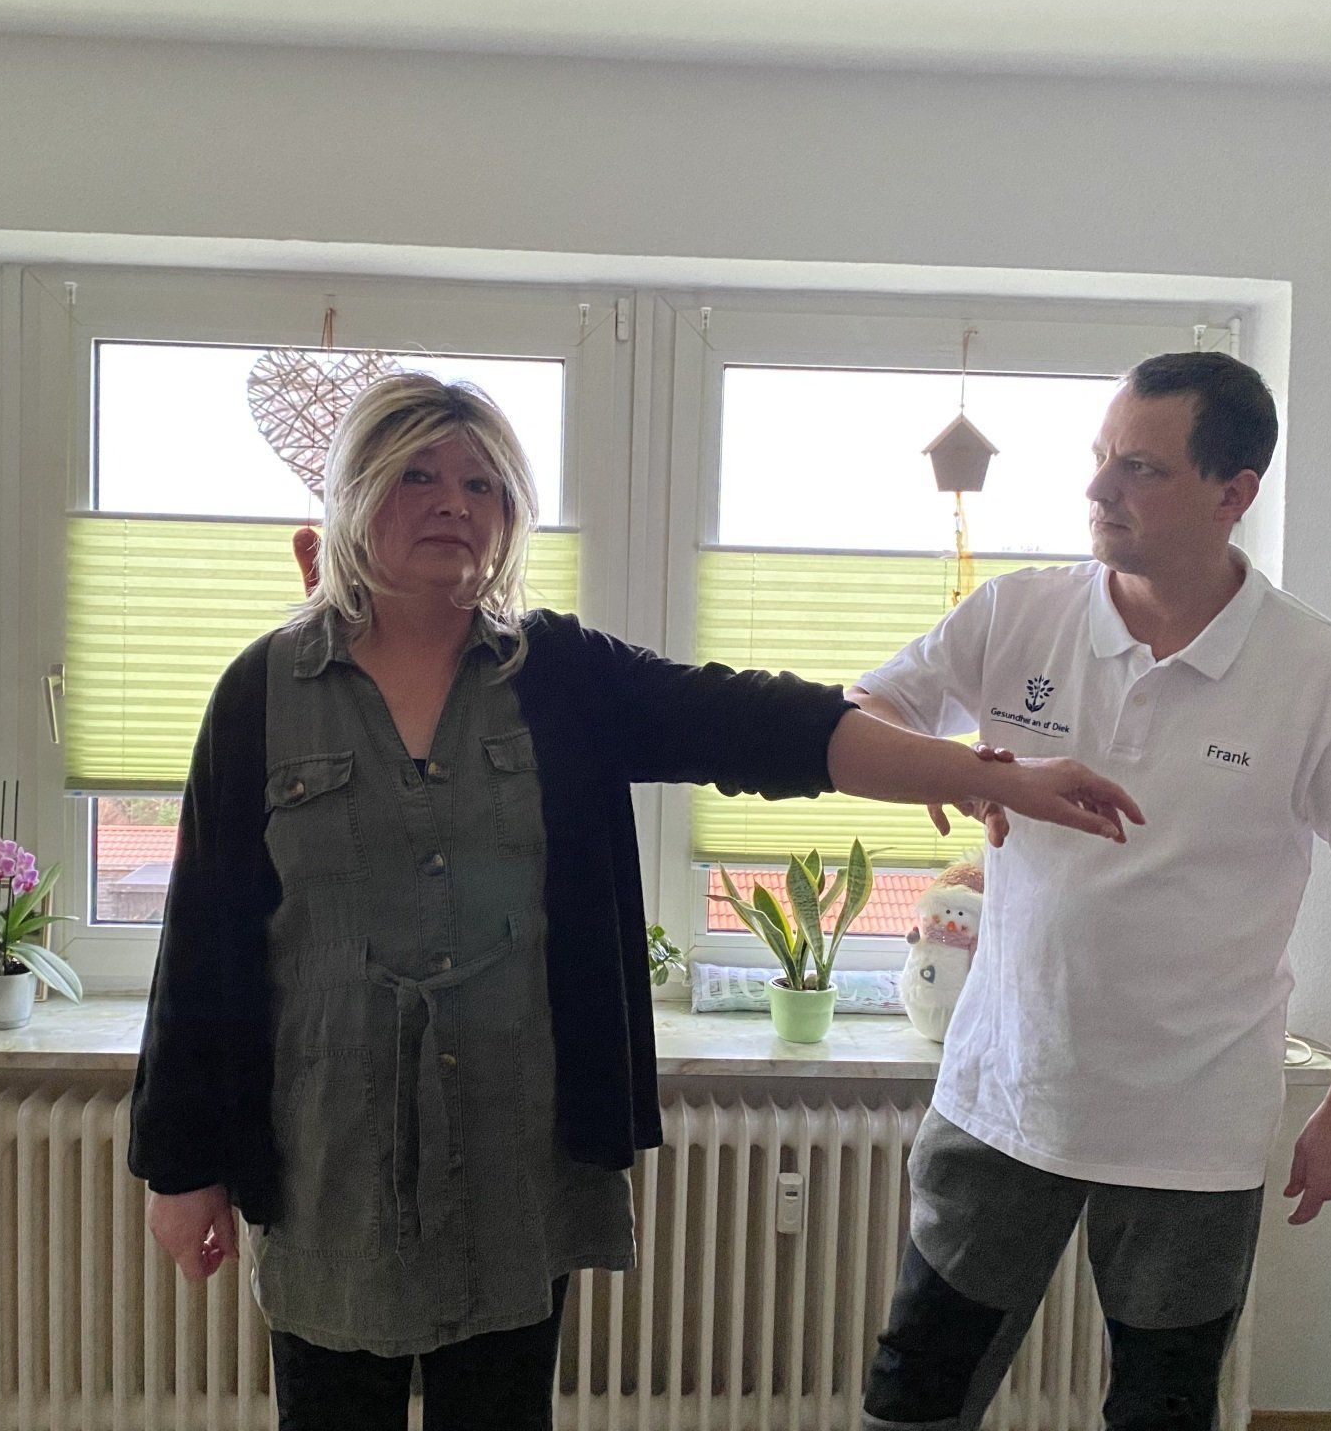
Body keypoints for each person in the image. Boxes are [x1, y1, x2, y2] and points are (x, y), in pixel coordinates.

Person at [127, 371, 1145, 1431]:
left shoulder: (561, 675)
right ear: (353, 495)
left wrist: (979, 773)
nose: (453, 504)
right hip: (325, 1157)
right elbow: (202, 945)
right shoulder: (261, 693)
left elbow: (763, 725)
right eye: (417, 476)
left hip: (516, 1159)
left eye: (483, 484)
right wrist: (182, 1168)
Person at [851, 352, 1331, 1431]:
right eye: (1099, 457)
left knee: (1163, 1412)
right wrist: (958, 767)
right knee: (915, 1395)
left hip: (1194, 1128)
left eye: (1140, 468)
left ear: (1233, 493)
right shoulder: (1017, 614)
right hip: (1003, 1100)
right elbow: (868, 711)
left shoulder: (1322, 674)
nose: (1097, 488)